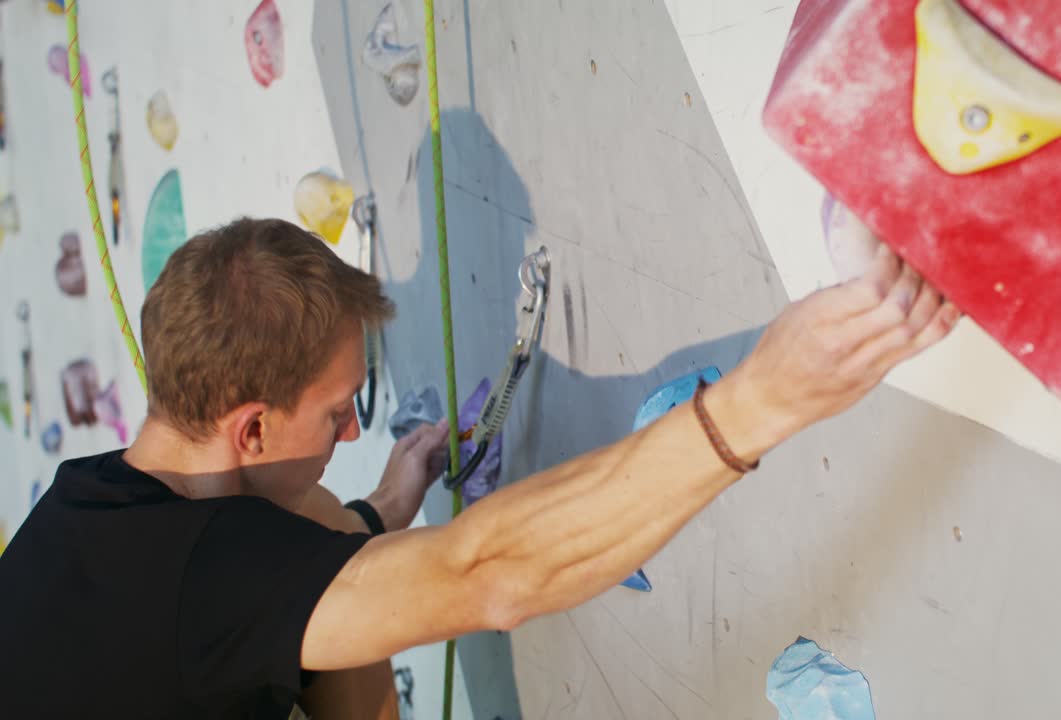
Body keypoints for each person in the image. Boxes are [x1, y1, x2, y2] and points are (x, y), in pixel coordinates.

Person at [0, 217, 959, 718]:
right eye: (339, 413)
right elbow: (492, 576)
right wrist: (766, 398)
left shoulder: (83, 506)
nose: (347, 433)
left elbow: (240, 600)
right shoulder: (210, 583)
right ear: (249, 430)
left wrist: (382, 510)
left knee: (325, 528)